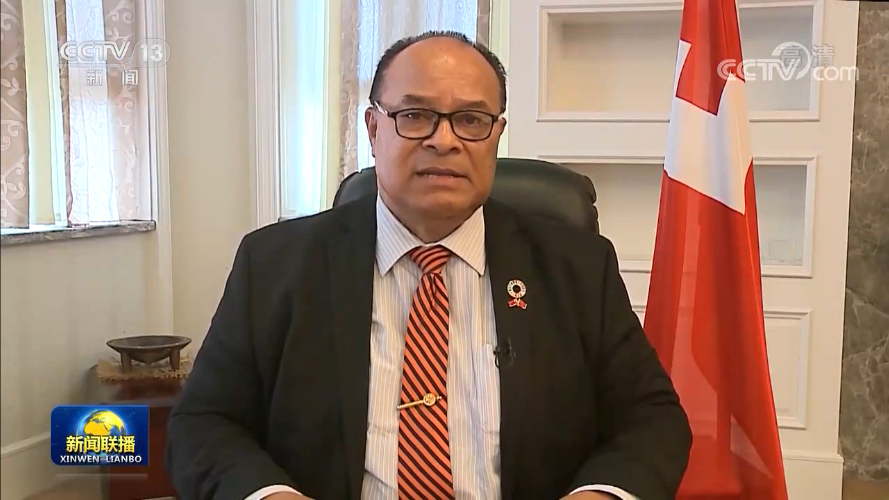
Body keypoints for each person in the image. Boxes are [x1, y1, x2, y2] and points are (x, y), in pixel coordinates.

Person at [165, 30, 691, 500]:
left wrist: (600, 495)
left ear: (496, 134)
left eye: (471, 120)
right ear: (373, 129)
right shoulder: (274, 264)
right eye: (415, 116)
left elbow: (652, 419)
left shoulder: (576, 267)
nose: (444, 140)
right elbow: (203, 423)